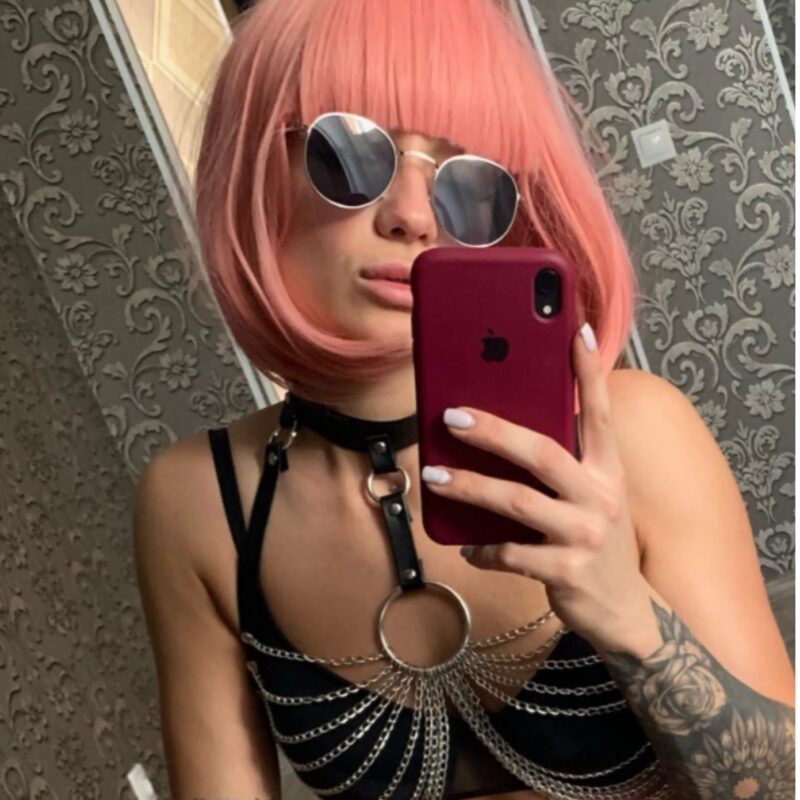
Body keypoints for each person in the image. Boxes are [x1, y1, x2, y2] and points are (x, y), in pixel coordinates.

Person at [133, 1, 795, 799]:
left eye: (468, 184)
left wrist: (631, 618)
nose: (412, 216)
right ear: (254, 168)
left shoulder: (637, 433)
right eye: (351, 154)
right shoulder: (197, 506)